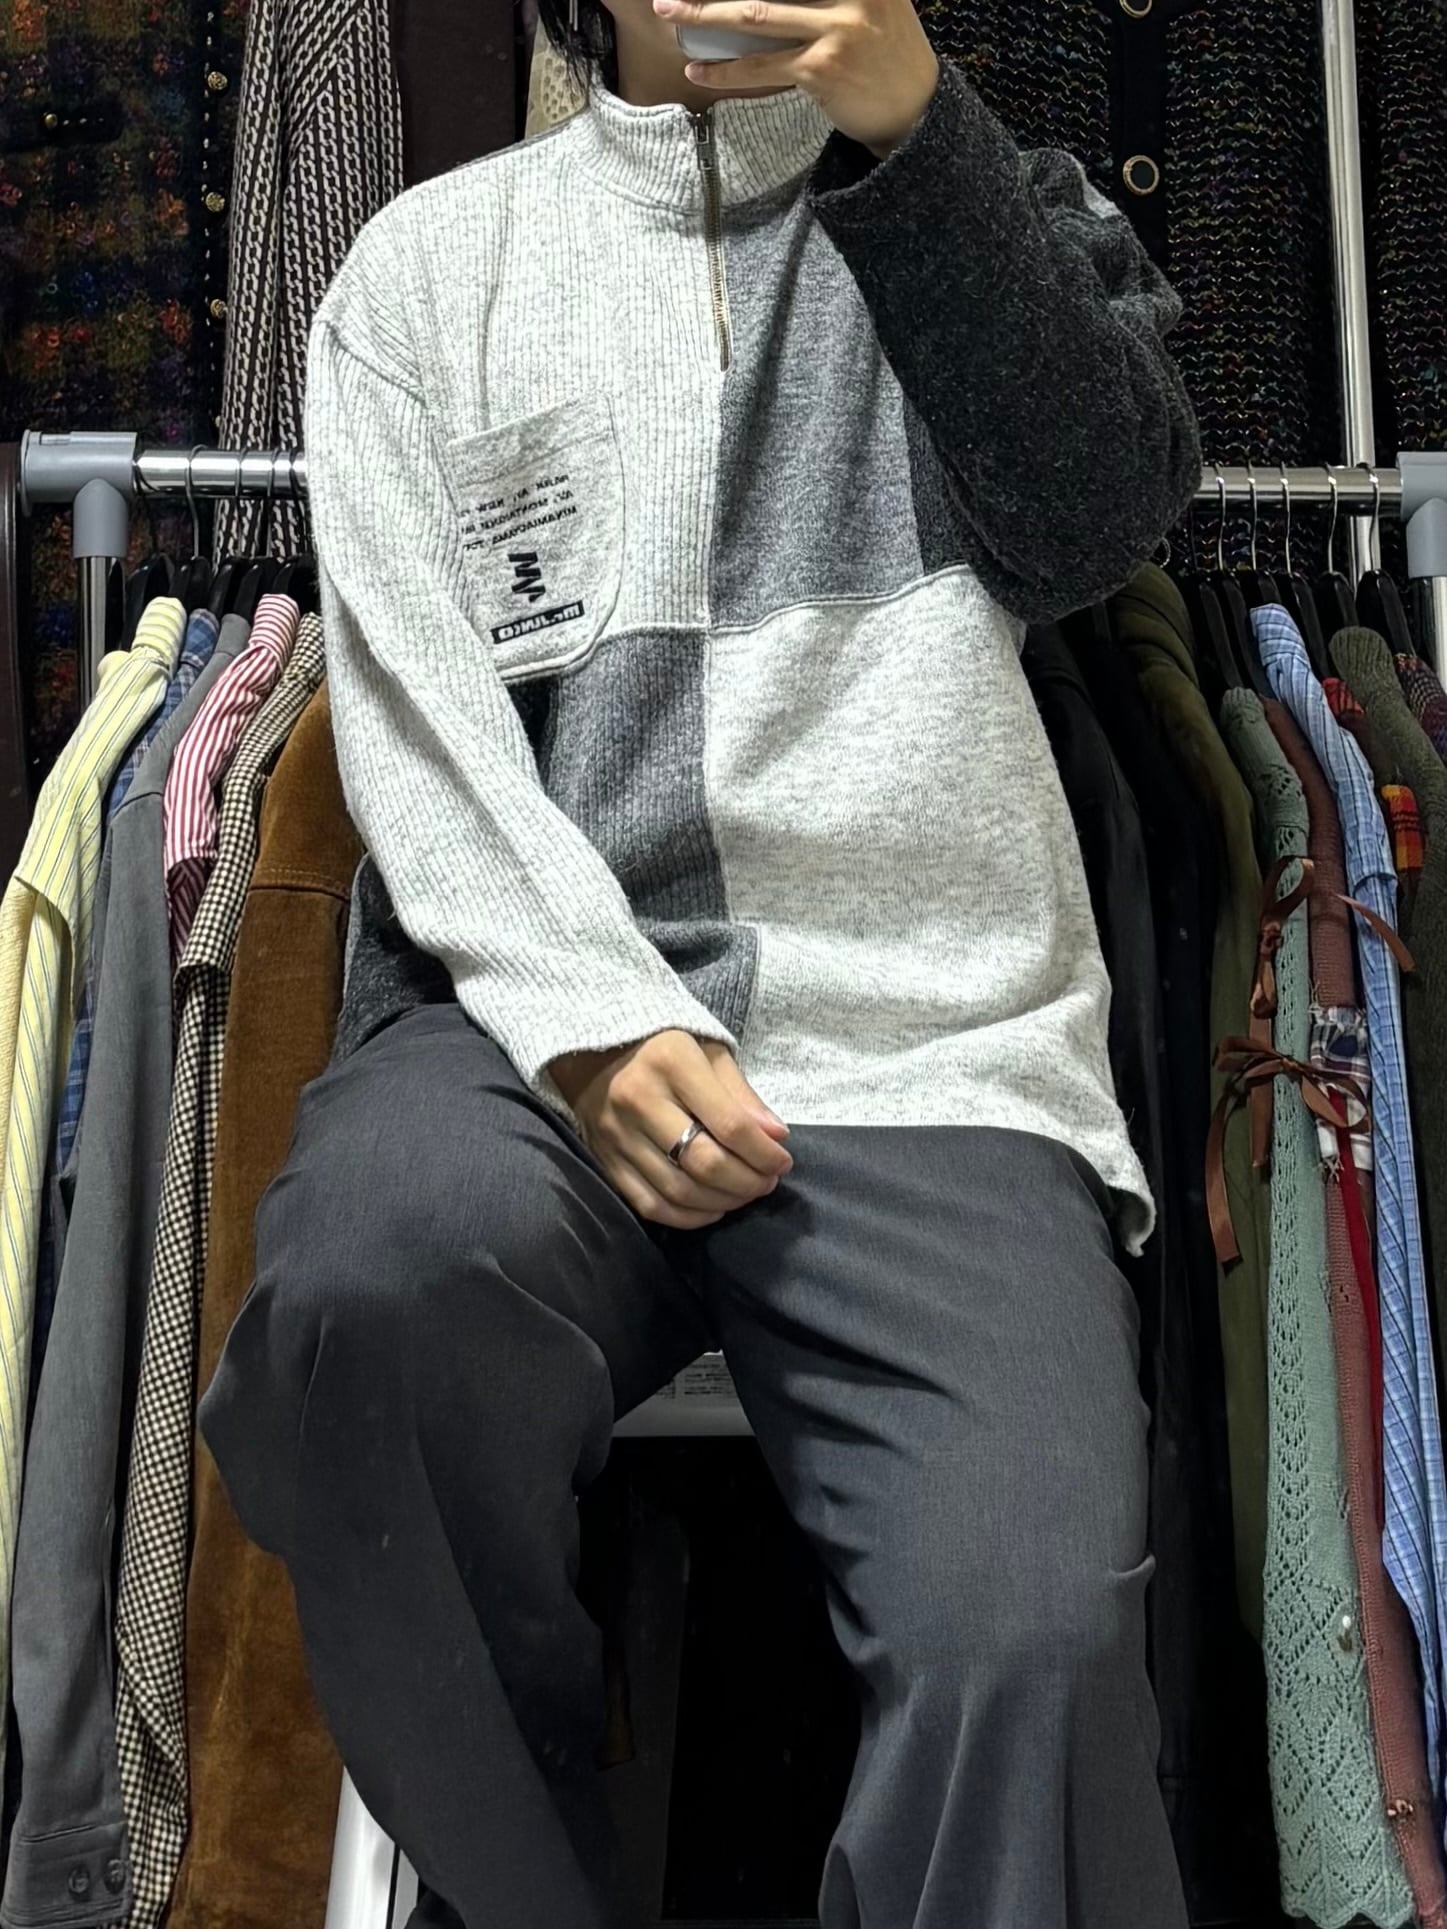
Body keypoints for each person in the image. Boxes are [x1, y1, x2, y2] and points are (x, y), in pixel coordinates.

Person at [201, 0, 1203, 1918]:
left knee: (1033, 1621)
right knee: (363, 1293)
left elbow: (1100, 523)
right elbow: (413, 722)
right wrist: (590, 1022)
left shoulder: (1000, 204)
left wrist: (917, 137)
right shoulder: (428, 273)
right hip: (528, 1029)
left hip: (930, 1033)